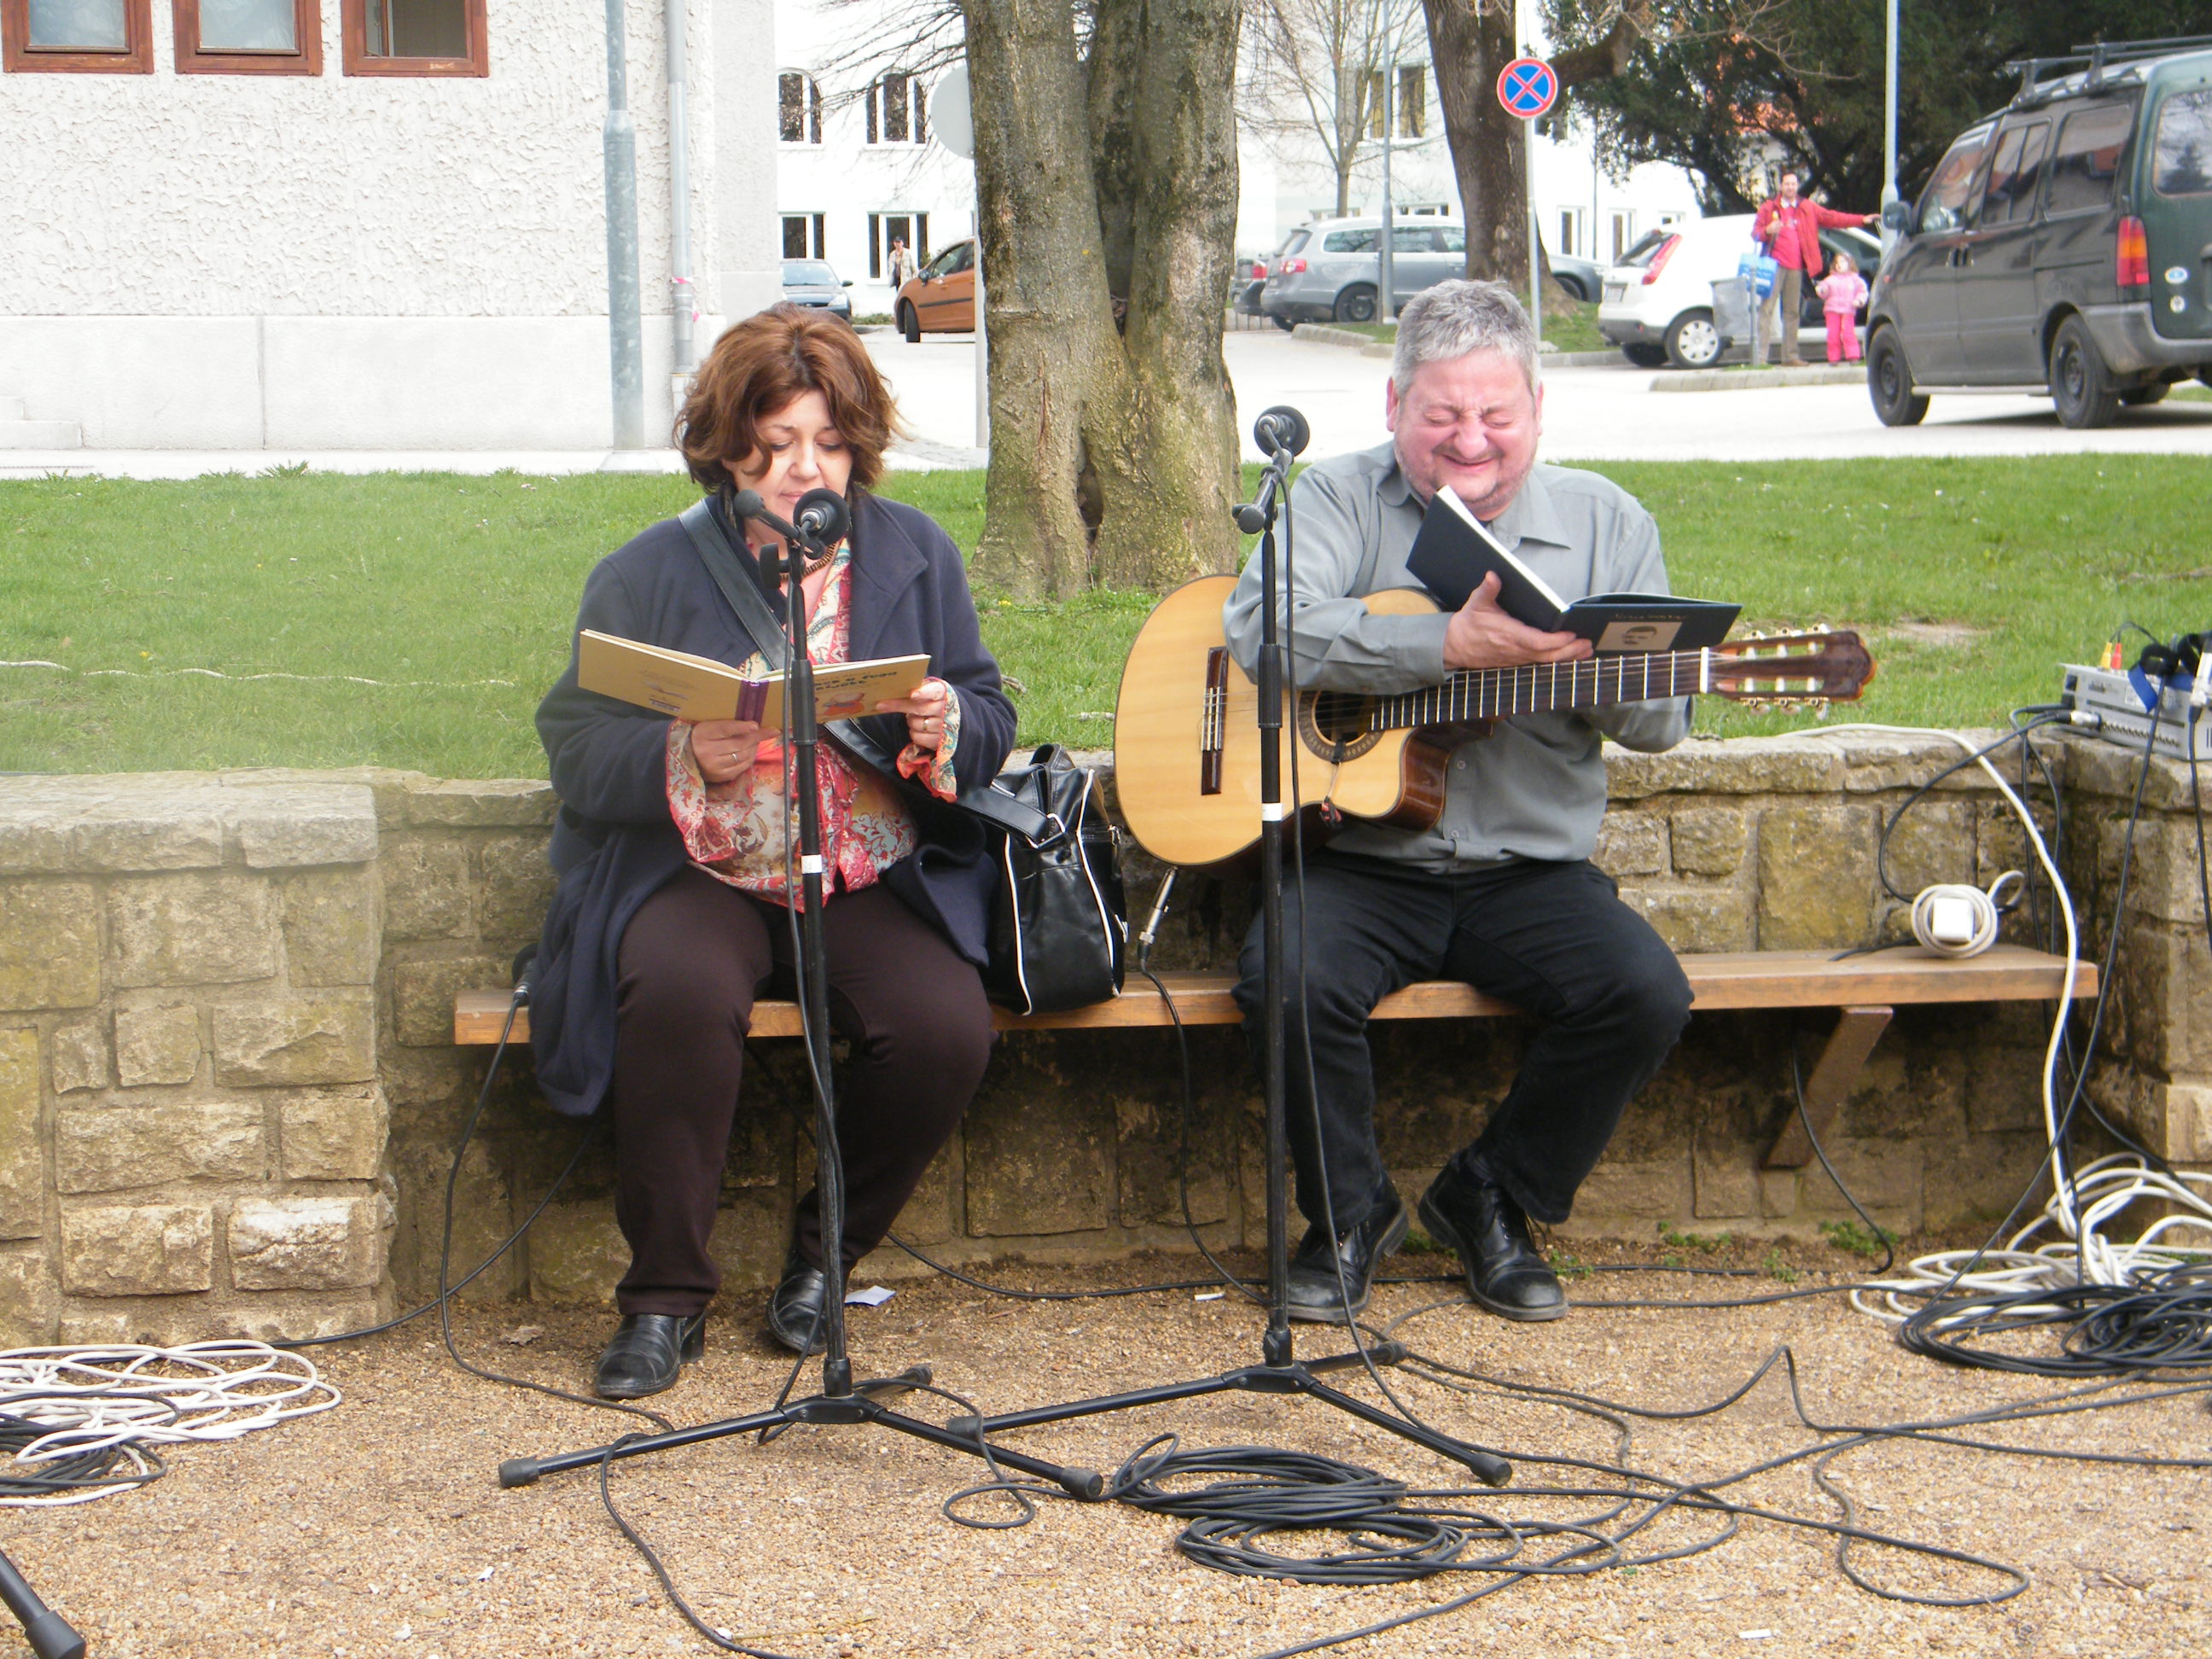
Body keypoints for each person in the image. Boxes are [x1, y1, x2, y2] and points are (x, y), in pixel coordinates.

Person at [529, 303, 1016, 1399]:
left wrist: (948, 722)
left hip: (863, 869)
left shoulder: (915, 552)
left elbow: (988, 709)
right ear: (727, 443)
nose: (807, 468)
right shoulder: (649, 571)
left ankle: (824, 1260)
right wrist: (682, 754)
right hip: (703, 868)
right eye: (779, 441)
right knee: (677, 995)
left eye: (831, 443)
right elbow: (575, 745)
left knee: (945, 1030)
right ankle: (663, 1300)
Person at [1221, 279, 1694, 1326]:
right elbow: (1262, 630)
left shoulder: (1607, 522)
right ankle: (1349, 1216)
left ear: (1538, 410)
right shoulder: (1338, 500)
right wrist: (1441, 644)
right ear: (1395, 405)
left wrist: (1613, 674)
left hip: (1528, 869)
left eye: (1496, 415)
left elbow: (1663, 728)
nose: (1471, 440)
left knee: (1643, 994)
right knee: (1286, 979)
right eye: (1442, 415)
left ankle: (1491, 1196)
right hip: (1360, 861)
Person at [1752, 171, 1875, 367]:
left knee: (1792, 312)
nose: (1790, 187)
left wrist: (1861, 220)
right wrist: (1767, 230)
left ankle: (1790, 357)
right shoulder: (1768, 208)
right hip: (1773, 266)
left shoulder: (1807, 207)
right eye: (1787, 184)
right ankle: (1760, 359)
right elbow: (1755, 234)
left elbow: (1832, 218)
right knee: (1766, 310)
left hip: (1795, 267)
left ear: (1797, 186)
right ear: (1781, 186)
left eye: (1794, 184)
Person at [1816, 250, 1870, 364]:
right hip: (1832, 310)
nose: (1839, 264)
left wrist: (1859, 301)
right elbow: (1823, 290)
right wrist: (1822, 290)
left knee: (1848, 333)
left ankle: (1853, 356)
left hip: (1848, 310)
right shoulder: (1830, 279)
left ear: (1850, 264)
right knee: (1833, 335)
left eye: (1842, 261)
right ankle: (1833, 358)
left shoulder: (1855, 279)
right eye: (1837, 262)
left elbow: (1862, 291)